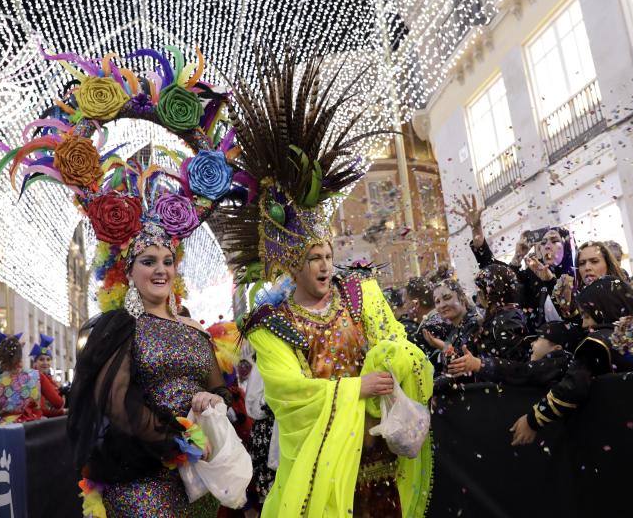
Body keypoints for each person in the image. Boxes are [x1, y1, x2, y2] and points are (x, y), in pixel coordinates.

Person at [0, 43, 240, 517]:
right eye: (148, 261)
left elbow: (224, 391)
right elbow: (117, 405)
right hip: (142, 482)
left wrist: (214, 400)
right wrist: (177, 441)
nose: (161, 270)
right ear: (127, 272)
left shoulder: (196, 330)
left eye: (167, 260)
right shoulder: (120, 330)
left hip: (201, 484)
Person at [220, 47, 433, 517]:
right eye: (312, 257)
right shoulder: (270, 324)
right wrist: (357, 387)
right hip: (318, 465)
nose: (324, 266)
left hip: (377, 464)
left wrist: (394, 360)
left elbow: (395, 343)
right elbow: (287, 394)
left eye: (327, 255)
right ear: (291, 265)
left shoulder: (361, 294)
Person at [509, 277, 633, 445]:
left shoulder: (597, 342)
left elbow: (573, 386)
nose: (583, 324)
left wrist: (533, 420)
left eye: (586, 316)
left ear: (602, 310)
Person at [453, 194, 575, 332]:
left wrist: (550, 281)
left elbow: (572, 314)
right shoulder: (533, 275)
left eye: (554, 240)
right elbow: (499, 277)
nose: (547, 246)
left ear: (567, 247)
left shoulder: (578, 275)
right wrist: (517, 257)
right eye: (543, 242)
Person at [447, 321, 576, 387]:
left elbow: (522, 372)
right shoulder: (559, 363)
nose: (532, 344)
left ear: (557, 348)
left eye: (538, 339)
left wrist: (479, 364)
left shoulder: (561, 362)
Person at [0, 335, 64, 425]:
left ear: (2, 357)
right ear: (20, 355)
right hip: (35, 429)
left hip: (9, 432)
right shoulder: (37, 376)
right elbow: (58, 403)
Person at [473, 263, 529, 361]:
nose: (477, 297)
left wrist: (480, 366)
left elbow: (517, 367)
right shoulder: (500, 316)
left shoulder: (506, 321)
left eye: (479, 291)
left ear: (491, 292)